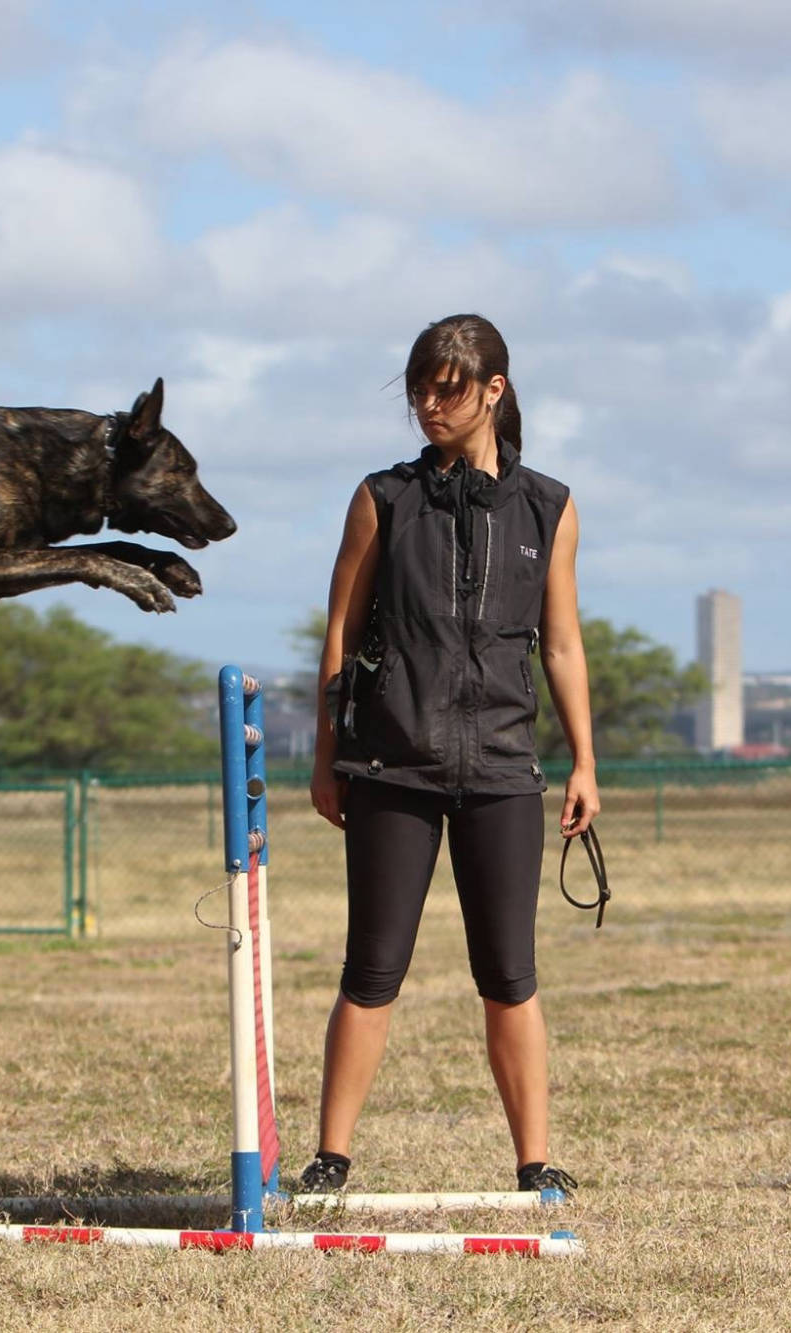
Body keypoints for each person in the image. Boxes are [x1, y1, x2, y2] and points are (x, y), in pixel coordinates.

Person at [303, 313, 599, 1198]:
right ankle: (331, 1159)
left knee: (510, 973)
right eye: (420, 388)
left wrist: (585, 760)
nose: (429, 405)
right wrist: (327, 756)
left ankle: (535, 1164)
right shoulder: (382, 499)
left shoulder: (548, 504)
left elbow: (562, 645)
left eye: (449, 388)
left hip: (505, 768)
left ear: (493, 391)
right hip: (391, 764)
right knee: (371, 968)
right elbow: (340, 634)